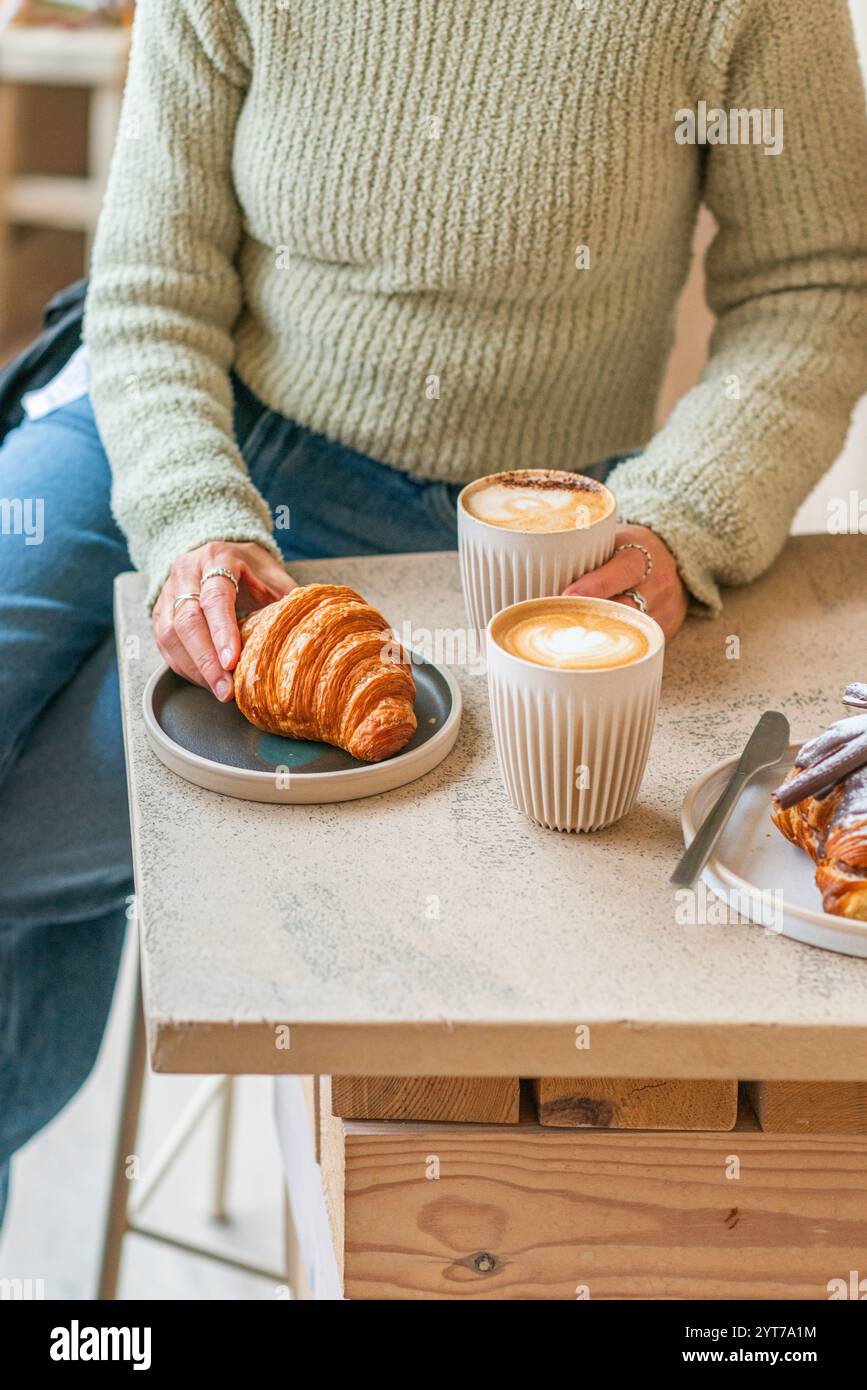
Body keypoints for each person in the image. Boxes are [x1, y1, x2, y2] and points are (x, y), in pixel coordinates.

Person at [1, 0, 865, 1222]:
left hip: (508, 539)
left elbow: (815, 286)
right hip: (177, 426)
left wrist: (683, 513)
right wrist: (196, 512)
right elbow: (150, 287)